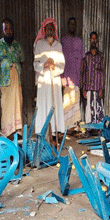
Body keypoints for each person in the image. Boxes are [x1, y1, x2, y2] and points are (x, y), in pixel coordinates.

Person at [33, 18, 66, 146]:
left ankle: (54, 135)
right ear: (44, 30)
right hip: (43, 80)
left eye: (52, 28)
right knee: (44, 106)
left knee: (54, 105)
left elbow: (62, 64)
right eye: (47, 28)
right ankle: (44, 135)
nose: (50, 30)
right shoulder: (39, 45)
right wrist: (44, 64)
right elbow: (35, 63)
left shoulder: (58, 46)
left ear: (54, 30)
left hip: (55, 79)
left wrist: (54, 66)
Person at [0, 18, 24, 137]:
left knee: (17, 106)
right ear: (3, 30)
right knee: (6, 109)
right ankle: (8, 135)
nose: (8, 31)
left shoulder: (18, 45)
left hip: (17, 82)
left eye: (10, 28)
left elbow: (22, 62)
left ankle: (17, 134)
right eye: (6, 29)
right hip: (5, 83)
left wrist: (16, 72)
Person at [60, 17, 83, 128]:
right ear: (67, 26)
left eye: (74, 24)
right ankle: (67, 128)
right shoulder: (63, 41)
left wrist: (82, 78)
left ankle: (75, 128)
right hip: (67, 78)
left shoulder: (79, 41)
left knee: (75, 104)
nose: (72, 26)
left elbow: (82, 61)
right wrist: (61, 77)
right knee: (67, 104)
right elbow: (59, 60)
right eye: (70, 24)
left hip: (77, 77)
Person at [80, 31, 105, 124]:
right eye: (92, 38)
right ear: (89, 40)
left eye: (95, 38)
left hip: (98, 88)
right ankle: (89, 130)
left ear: (97, 41)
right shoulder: (86, 56)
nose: (93, 40)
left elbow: (103, 73)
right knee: (89, 110)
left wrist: (102, 88)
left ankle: (98, 129)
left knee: (98, 109)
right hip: (88, 88)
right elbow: (83, 72)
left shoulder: (101, 56)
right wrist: (83, 89)